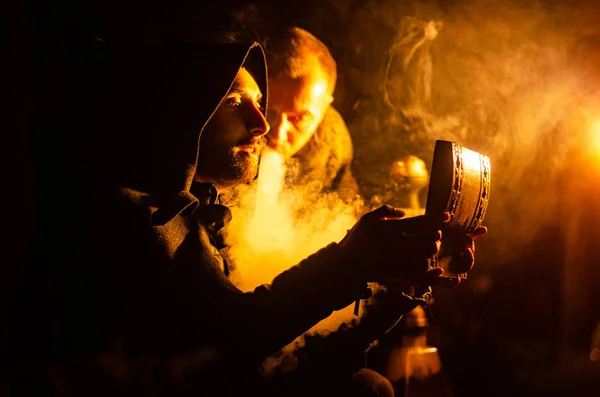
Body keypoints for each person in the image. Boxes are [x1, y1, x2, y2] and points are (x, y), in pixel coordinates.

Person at [6, 38, 485, 397]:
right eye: (237, 103)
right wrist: (351, 262)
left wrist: (404, 281)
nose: (264, 124)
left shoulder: (204, 208)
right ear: (184, 112)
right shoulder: (139, 213)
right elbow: (235, 340)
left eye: (261, 103)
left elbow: (285, 352)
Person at [264, 27, 359, 201]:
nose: (277, 134)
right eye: (268, 112)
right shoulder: (223, 127)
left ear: (324, 109)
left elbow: (343, 208)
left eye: (299, 118)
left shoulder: (333, 142)